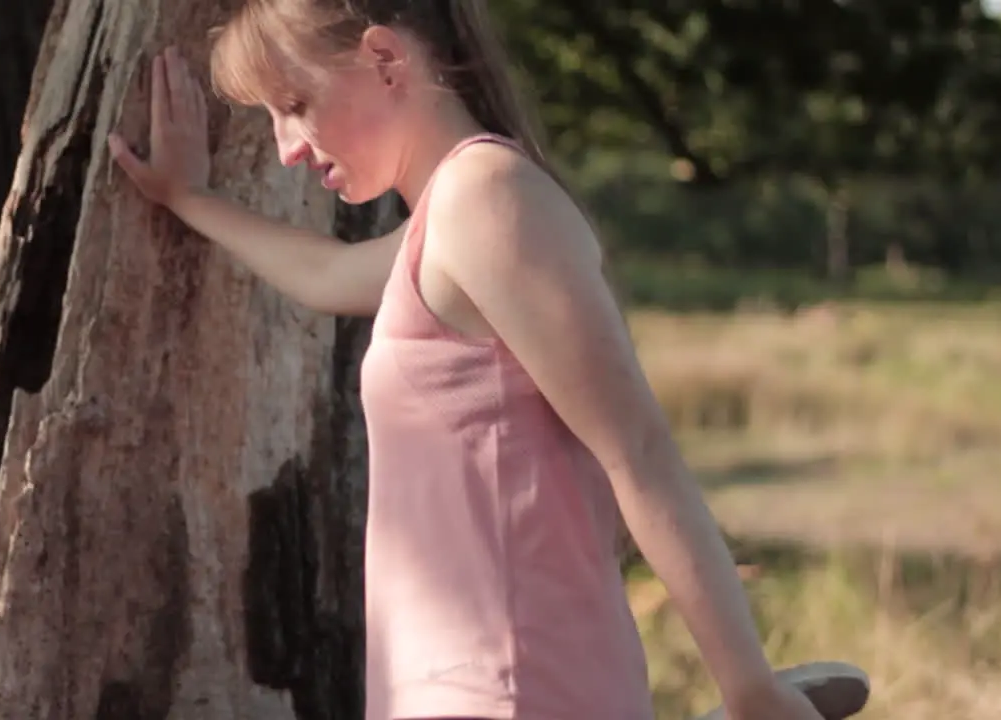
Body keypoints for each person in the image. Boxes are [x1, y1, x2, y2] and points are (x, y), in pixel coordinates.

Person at [108, 0, 827, 718]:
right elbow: (327, 275)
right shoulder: (450, 218)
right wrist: (187, 198)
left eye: (294, 104)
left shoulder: (484, 198)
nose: (287, 145)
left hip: (511, 689)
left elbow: (638, 449)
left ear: (386, 59)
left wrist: (750, 690)